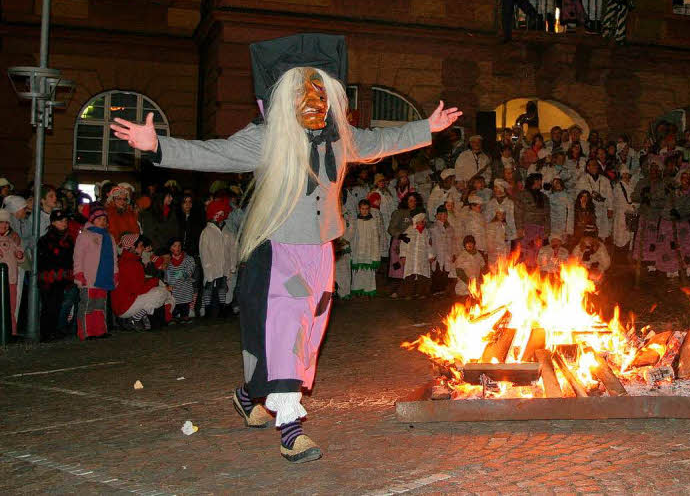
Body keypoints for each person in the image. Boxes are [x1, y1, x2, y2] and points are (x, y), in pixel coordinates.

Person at [110, 34, 460, 464]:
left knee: (309, 336)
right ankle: (290, 427)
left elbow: (378, 144)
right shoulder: (265, 139)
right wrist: (158, 146)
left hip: (321, 249)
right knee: (284, 328)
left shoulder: (338, 137)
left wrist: (428, 127)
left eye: (319, 90)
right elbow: (214, 153)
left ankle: (248, 393)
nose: (312, 101)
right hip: (278, 251)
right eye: (302, 91)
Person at [112, 233, 173, 330]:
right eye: (141, 246)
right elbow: (139, 289)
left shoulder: (126, 260)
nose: (143, 249)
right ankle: (135, 318)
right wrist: (155, 281)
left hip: (123, 304)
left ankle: (142, 318)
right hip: (125, 306)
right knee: (162, 293)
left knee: (159, 291)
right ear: (132, 248)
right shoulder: (132, 264)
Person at [72, 207, 117, 340]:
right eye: (99, 219)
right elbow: (78, 256)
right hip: (89, 277)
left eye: (104, 219)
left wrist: (115, 273)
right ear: (92, 220)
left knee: (100, 305)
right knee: (87, 305)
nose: (102, 222)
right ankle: (85, 331)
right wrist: (78, 272)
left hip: (104, 277)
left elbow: (114, 258)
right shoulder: (85, 235)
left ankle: (100, 330)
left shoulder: (109, 237)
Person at [36, 209, 76, 339]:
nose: (64, 223)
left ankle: (56, 330)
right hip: (50, 278)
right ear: (53, 222)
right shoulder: (45, 240)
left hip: (63, 278)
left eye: (65, 220)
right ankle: (47, 333)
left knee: (59, 304)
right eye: (60, 221)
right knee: (49, 306)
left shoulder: (69, 240)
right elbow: (45, 260)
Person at [199, 197, 237, 316]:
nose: (219, 216)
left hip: (224, 265)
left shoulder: (228, 231)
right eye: (217, 213)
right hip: (211, 266)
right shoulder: (206, 232)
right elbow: (204, 252)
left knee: (222, 285)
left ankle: (222, 307)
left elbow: (233, 248)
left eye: (221, 213)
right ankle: (207, 308)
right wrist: (207, 268)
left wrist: (233, 265)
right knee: (208, 286)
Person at [346, 199, 381, 298]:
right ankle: (357, 290)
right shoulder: (356, 222)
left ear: (369, 209)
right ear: (359, 209)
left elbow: (375, 238)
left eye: (366, 209)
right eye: (362, 209)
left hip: (369, 251)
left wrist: (376, 254)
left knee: (368, 272)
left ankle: (368, 290)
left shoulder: (373, 222)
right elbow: (352, 236)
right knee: (358, 273)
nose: (364, 211)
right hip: (358, 251)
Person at [0, 208, 26, 334]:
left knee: (11, 307)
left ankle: (12, 332)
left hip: (11, 279)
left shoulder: (11, 240)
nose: (4, 225)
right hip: (2, 280)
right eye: (1, 222)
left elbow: (20, 257)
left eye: (6, 223)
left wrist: (20, 255)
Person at [398, 212, 434, 299]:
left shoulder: (426, 232)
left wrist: (430, 255)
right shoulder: (409, 231)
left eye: (423, 222)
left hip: (422, 258)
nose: (422, 223)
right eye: (421, 222)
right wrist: (403, 255)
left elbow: (428, 245)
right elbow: (403, 244)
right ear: (416, 222)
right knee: (410, 276)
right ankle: (408, 293)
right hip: (411, 257)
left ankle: (422, 293)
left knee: (423, 275)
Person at [163, 238, 196, 322]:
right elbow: (166, 277)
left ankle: (184, 316)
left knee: (185, 310)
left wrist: (174, 275)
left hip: (185, 291)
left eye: (179, 246)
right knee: (173, 308)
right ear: (170, 248)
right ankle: (173, 316)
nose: (177, 248)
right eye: (174, 246)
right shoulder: (167, 261)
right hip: (173, 292)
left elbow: (187, 273)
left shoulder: (189, 259)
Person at [430, 205, 457, 295]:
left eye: (445, 214)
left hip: (447, 255)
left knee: (446, 272)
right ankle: (436, 290)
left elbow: (453, 242)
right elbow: (430, 242)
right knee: (438, 272)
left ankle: (443, 290)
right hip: (437, 254)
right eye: (441, 214)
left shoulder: (450, 229)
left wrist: (454, 253)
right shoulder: (433, 228)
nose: (444, 216)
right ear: (437, 215)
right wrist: (431, 255)